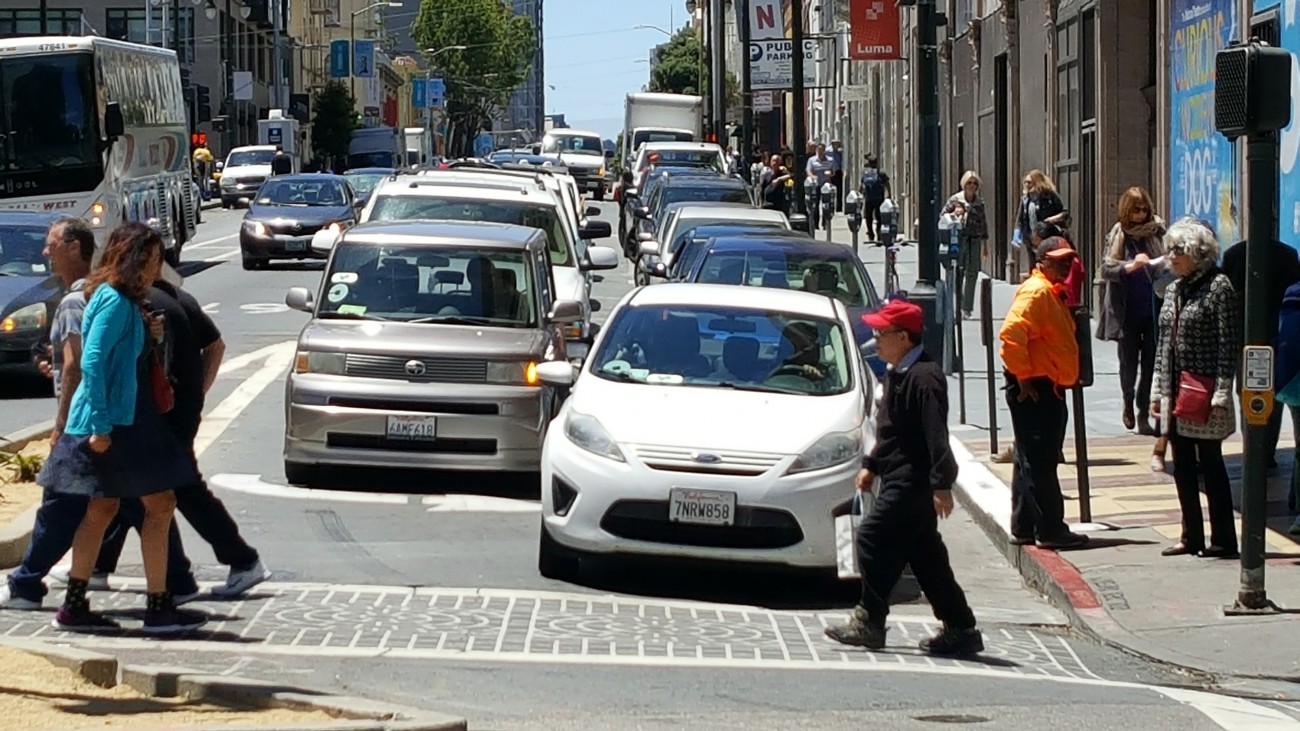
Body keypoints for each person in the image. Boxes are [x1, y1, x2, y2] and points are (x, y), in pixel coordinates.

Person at [2, 220, 198, 611]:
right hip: (109, 424)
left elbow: (117, 360)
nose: (156, 268)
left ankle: (77, 603)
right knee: (149, 506)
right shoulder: (111, 299)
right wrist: (98, 427)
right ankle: (159, 602)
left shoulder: (124, 301)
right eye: (152, 259)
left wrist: (151, 337)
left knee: (105, 507)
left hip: (117, 421)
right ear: (131, 258)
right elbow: (90, 361)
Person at [74, 278, 270, 598]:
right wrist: (196, 394)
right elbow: (216, 346)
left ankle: (232, 561)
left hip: (159, 413)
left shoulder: (138, 302)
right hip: (176, 409)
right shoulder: (179, 297)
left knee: (172, 488)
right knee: (132, 489)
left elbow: (96, 360)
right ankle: (101, 563)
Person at [824, 298, 983, 656]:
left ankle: (870, 620)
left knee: (870, 538)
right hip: (895, 473)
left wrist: (942, 484)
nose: (876, 339)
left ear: (905, 338)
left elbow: (935, 435)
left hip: (913, 480)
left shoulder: (924, 378)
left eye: (883, 333)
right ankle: (961, 627)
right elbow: (889, 430)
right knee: (926, 558)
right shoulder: (897, 373)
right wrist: (871, 464)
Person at [1151, 218, 1240, 559]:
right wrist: (1157, 390)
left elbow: (1227, 343)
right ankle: (1191, 536)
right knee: (1183, 465)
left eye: (1178, 250)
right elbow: (1163, 346)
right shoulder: (1174, 289)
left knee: (1211, 465)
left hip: (1204, 392)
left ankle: (1223, 539)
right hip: (1176, 391)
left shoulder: (1219, 287)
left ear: (1199, 253)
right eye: (1169, 249)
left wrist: (1221, 392)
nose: (1170, 256)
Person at [999, 238, 1089, 549]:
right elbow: (1011, 334)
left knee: (1030, 458)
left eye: (1068, 260)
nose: (1065, 265)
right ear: (1042, 261)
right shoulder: (1037, 292)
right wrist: (1022, 377)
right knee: (1041, 461)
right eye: (1058, 260)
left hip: (1042, 385)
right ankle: (1050, 529)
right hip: (1037, 388)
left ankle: (1025, 525)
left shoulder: (1049, 290)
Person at [1221, 236, 1300, 468]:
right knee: (1272, 397)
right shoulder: (1288, 255)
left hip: (1246, 339)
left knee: (1247, 391)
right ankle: (1265, 451)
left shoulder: (1233, 254)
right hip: (1278, 337)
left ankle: (1255, 448)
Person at [1098, 187, 1166, 435]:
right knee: (1128, 366)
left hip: (1152, 309)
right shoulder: (1119, 234)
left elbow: (1166, 262)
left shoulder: (1157, 232)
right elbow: (1106, 269)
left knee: (1150, 364)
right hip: (1126, 312)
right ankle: (1127, 400)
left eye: (1145, 209)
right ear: (1127, 210)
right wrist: (1130, 266)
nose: (1141, 214)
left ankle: (1142, 412)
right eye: (1136, 209)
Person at [941, 171, 989, 318]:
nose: (972, 186)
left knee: (973, 273)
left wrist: (985, 245)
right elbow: (942, 216)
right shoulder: (955, 199)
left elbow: (983, 223)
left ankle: (967, 308)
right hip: (959, 239)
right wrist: (955, 213)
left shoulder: (979, 202)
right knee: (958, 272)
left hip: (974, 240)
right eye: (969, 183)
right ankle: (959, 303)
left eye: (975, 183)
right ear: (964, 184)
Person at [1015, 170, 1068, 278]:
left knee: (1048, 267)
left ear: (1037, 181)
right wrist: (1017, 235)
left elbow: (1064, 213)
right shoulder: (1025, 199)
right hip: (1030, 239)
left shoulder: (1050, 196)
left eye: (1029, 182)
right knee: (1033, 268)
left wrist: (1051, 219)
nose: (1027, 185)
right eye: (1025, 182)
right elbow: (1020, 218)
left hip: (1047, 237)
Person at [859, 154, 891, 241]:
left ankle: (870, 233)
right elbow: (887, 183)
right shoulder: (881, 173)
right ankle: (879, 232)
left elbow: (862, 186)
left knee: (868, 217)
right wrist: (889, 194)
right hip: (879, 198)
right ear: (877, 163)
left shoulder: (865, 173)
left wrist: (860, 194)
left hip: (869, 198)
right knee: (879, 217)